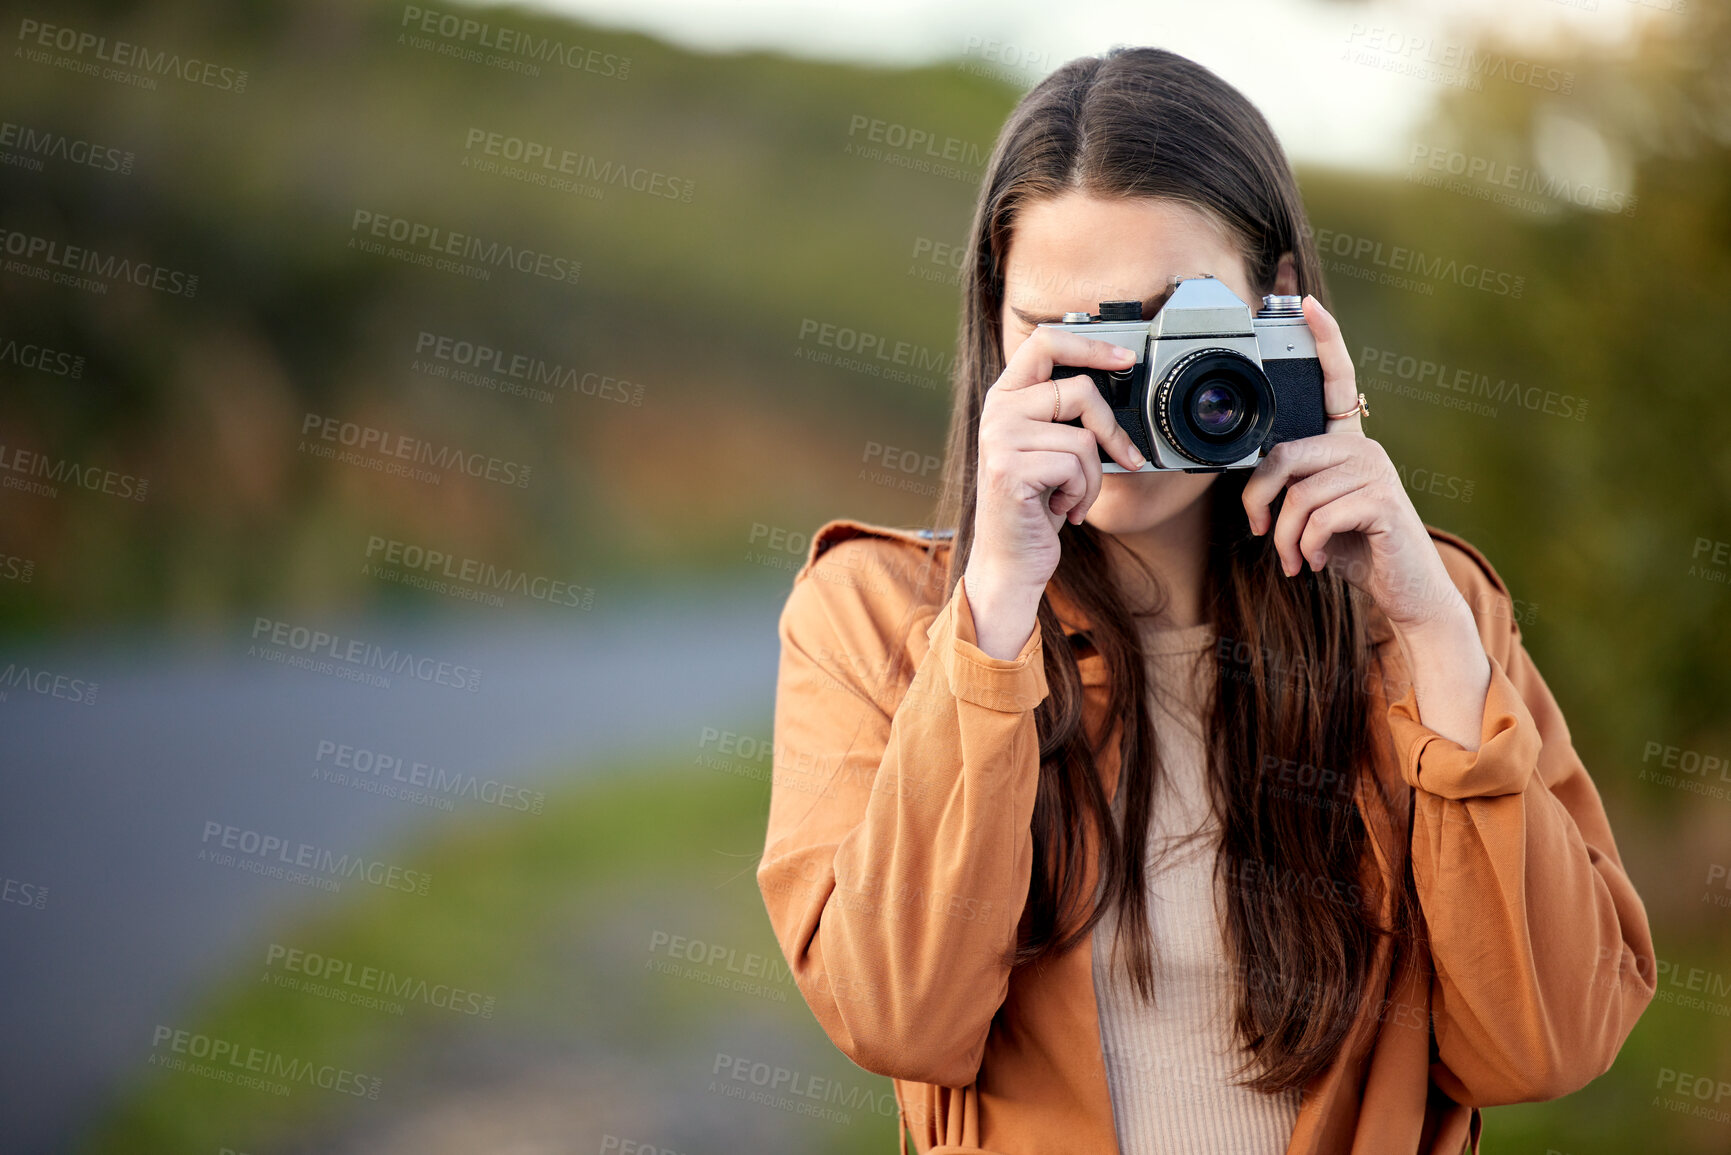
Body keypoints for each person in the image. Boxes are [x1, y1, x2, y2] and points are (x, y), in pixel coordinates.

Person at [756, 46, 1654, 1155]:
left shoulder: (1432, 611)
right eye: (1065, 335)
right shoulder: (875, 617)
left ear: (1279, 305)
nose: (1122, 391)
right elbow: (895, 1014)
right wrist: (991, 616)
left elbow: (1551, 1042)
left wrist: (1429, 632)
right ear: (994, 326)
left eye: (1171, 327)